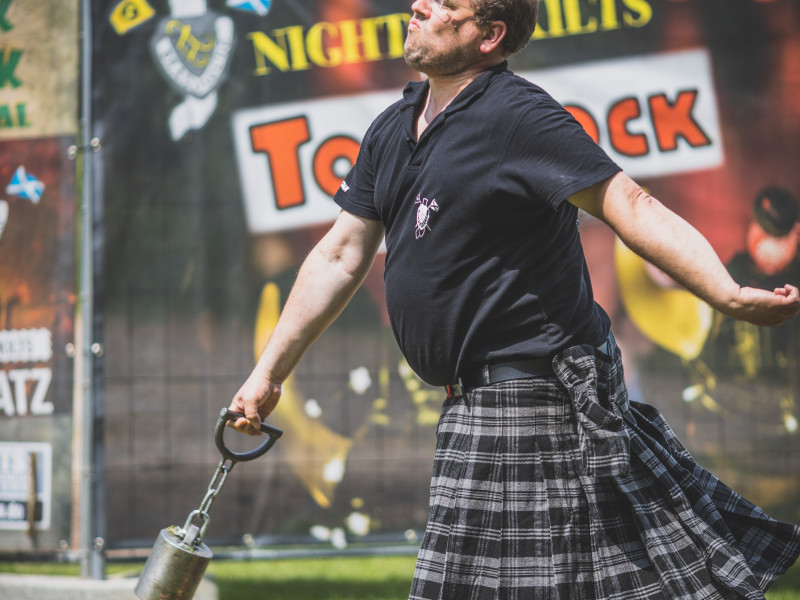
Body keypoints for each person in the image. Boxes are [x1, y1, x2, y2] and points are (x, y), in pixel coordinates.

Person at [228, 0, 800, 597]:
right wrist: (269, 374)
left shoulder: (519, 116)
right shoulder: (394, 128)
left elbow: (630, 205)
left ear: (489, 35)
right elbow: (338, 256)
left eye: (446, 4)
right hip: (472, 402)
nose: (419, 5)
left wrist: (728, 294)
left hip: (537, 397)